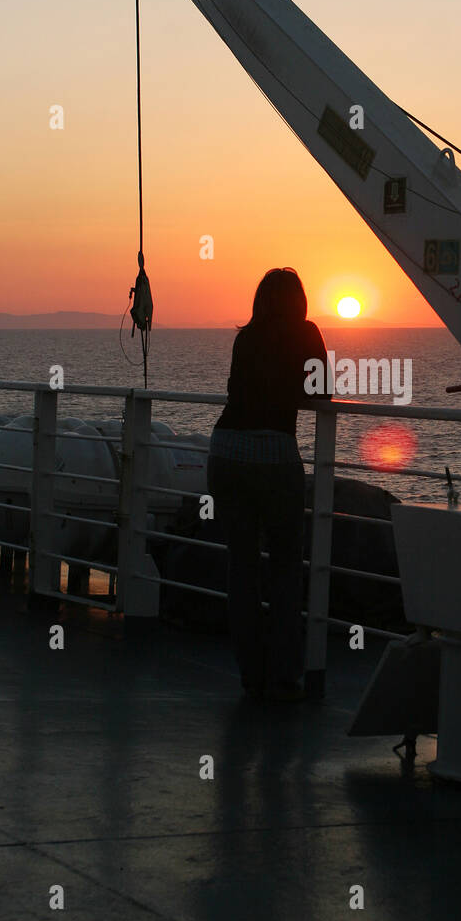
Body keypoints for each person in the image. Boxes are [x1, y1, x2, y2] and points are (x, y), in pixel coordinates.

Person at [208, 268, 328, 701]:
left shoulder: (246, 336)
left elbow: (236, 389)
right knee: (283, 568)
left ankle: (250, 674)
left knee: (241, 567)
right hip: (275, 456)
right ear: (299, 300)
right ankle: (284, 674)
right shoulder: (305, 333)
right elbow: (322, 391)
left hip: (226, 451)